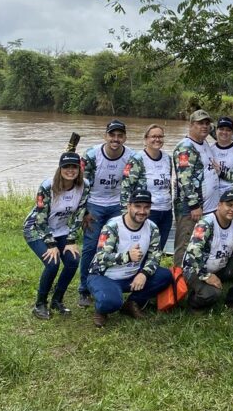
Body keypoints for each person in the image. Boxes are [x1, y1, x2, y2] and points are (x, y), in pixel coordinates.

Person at [87, 189, 173, 328]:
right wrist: (127, 256)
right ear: (128, 206)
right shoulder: (112, 226)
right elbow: (101, 257)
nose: (142, 211)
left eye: (146, 207)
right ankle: (102, 308)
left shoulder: (152, 228)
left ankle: (132, 302)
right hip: (105, 275)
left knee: (165, 275)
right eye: (137, 206)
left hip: (132, 276)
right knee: (111, 302)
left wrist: (144, 274)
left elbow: (155, 256)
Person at [23, 152, 90, 319]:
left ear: (79, 169)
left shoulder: (84, 185)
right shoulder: (47, 186)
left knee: (73, 260)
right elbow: (40, 218)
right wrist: (51, 245)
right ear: (60, 169)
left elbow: (79, 214)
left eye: (74, 167)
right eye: (66, 167)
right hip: (36, 228)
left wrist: (71, 240)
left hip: (61, 229)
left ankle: (57, 300)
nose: (70, 170)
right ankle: (40, 304)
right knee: (52, 263)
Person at [79, 119, 134, 307]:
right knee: (90, 246)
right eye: (112, 135)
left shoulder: (131, 156)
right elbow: (81, 184)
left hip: (118, 206)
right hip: (94, 204)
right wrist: (84, 211)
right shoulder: (92, 155)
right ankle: (84, 289)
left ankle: (107, 283)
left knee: (113, 247)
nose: (116, 139)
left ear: (125, 138)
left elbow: (134, 183)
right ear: (105, 136)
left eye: (120, 136)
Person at [181, 189, 233, 310]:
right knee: (212, 294)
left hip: (220, 267)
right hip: (196, 270)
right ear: (219, 205)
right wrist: (206, 276)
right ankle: (193, 303)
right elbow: (193, 253)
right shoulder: (206, 223)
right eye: (229, 205)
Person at [173, 109, 221, 269]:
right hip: (190, 208)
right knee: (185, 245)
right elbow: (184, 180)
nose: (205, 126)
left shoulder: (205, 143)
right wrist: (194, 205)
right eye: (200, 123)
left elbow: (222, 134)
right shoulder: (186, 147)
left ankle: (196, 278)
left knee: (200, 245)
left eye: (207, 123)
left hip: (207, 207)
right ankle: (178, 284)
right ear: (191, 125)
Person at [121, 124, 174, 250]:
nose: (157, 139)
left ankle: (153, 269)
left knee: (159, 248)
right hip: (147, 212)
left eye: (160, 136)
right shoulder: (137, 159)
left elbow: (169, 186)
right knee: (144, 248)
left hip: (166, 212)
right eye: (153, 136)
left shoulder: (167, 158)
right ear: (146, 139)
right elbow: (126, 188)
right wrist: (126, 215)